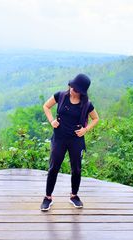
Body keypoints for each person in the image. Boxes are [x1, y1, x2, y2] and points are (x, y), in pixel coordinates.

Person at [40, 73, 99, 211]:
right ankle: (48, 197)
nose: (73, 90)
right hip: (59, 137)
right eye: (72, 87)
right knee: (54, 167)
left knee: (76, 168)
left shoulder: (87, 104)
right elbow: (46, 106)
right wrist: (52, 121)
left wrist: (86, 129)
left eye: (77, 89)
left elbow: (96, 119)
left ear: (82, 92)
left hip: (76, 139)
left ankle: (74, 195)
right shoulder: (60, 96)